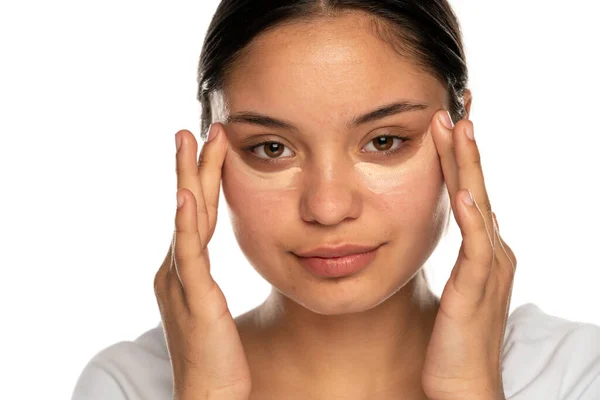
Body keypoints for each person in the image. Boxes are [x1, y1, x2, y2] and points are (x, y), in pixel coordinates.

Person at [71, 1, 600, 399]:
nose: (326, 207)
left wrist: (471, 388)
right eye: (272, 148)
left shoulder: (572, 372)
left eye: (384, 141)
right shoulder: (128, 386)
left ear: (460, 132)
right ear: (212, 153)